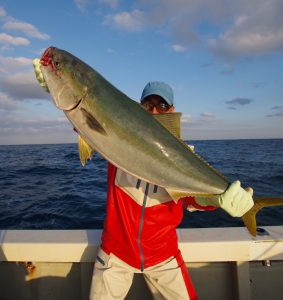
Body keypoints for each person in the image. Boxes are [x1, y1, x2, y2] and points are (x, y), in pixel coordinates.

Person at [89, 81, 254, 300]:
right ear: (139, 108)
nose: (155, 111)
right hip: (114, 255)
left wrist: (216, 200)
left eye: (162, 106)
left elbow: (189, 199)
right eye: (148, 105)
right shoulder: (118, 140)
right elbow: (90, 121)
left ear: (172, 111)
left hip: (164, 258)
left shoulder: (185, 156)